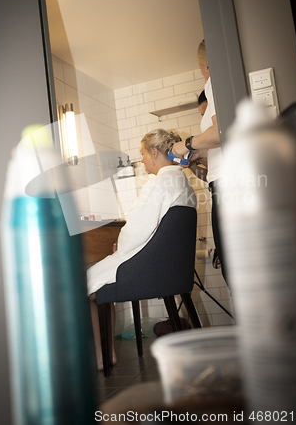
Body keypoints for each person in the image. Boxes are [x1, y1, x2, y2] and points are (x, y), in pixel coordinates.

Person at [87, 129, 197, 370]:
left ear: (154, 152)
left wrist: (120, 247)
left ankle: (101, 355)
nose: (142, 160)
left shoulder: (158, 184)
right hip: (169, 270)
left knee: (86, 285)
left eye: (143, 154)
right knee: (98, 280)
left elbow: (137, 231)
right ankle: (105, 353)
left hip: (148, 268)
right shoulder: (182, 182)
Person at [172, 39, 227, 285]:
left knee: (231, 264)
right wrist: (194, 162)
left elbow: (218, 134)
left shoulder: (215, 82)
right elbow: (211, 170)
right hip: (222, 185)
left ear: (205, 65)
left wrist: (187, 144)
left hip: (228, 187)